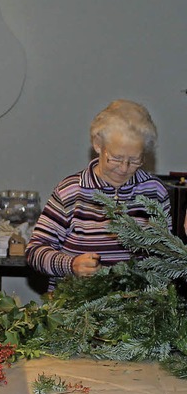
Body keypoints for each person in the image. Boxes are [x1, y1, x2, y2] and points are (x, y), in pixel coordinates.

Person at [26, 99, 171, 290]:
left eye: (135, 160)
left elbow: (167, 256)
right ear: (97, 145)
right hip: (76, 310)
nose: (124, 168)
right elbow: (34, 252)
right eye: (116, 158)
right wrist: (71, 265)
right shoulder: (71, 191)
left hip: (136, 311)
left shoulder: (154, 192)